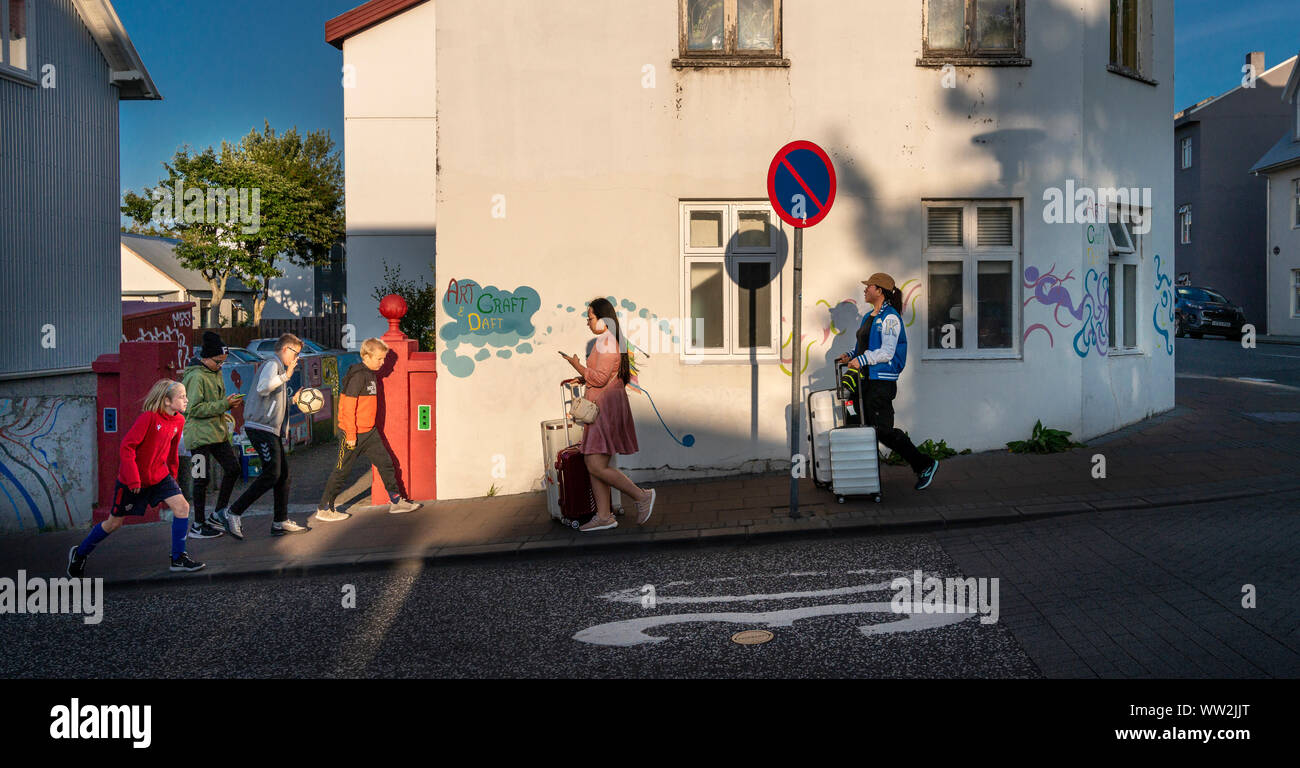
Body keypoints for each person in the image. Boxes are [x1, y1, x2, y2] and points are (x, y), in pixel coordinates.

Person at [67, 379, 205, 576]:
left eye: (185, 396)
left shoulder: (179, 421)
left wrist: (173, 478)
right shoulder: (148, 418)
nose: (186, 400)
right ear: (166, 401)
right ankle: (79, 554)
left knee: (182, 507)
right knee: (113, 523)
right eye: (182, 396)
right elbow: (127, 447)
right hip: (132, 480)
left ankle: (178, 558)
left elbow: (172, 452)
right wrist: (133, 479)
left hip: (159, 476)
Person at [559, 298, 656, 531]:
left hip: (605, 407)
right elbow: (603, 373)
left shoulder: (606, 343)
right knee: (594, 461)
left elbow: (601, 378)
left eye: (590, 317)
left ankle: (641, 496)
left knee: (594, 463)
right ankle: (604, 515)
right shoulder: (608, 341)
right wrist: (583, 377)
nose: (587, 322)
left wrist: (577, 365)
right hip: (606, 404)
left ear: (603, 319)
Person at [836, 272, 940, 491]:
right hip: (864, 380)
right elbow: (863, 347)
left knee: (881, 430)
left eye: (869, 286)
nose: (865, 289)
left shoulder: (890, 318)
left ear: (880, 291)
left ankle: (924, 464)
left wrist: (861, 359)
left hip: (880, 382)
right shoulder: (869, 317)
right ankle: (857, 478)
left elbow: (887, 352)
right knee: (855, 424)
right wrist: (850, 355)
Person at [212, 334, 310, 539]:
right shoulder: (272, 365)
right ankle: (234, 512)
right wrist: (285, 376)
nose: (297, 359)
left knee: (283, 475)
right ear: (285, 350)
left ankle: (279, 522)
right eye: (296, 353)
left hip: (269, 429)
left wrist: (292, 401)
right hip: (260, 428)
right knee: (272, 474)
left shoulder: (278, 369)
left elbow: (272, 400)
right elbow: (263, 388)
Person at [315, 337, 423, 521]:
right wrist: (350, 434)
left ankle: (396, 502)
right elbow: (347, 407)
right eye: (379, 359)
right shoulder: (359, 376)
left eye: (383, 359)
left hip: (369, 432)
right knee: (341, 470)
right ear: (366, 356)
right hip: (352, 433)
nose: (382, 363)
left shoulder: (370, 373)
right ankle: (324, 509)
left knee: (386, 463)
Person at [180, 331, 243, 539]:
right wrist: (225, 404)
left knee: (233, 468)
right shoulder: (196, 376)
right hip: (198, 438)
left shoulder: (212, 371)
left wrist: (227, 403)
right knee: (201, 479)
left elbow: (212, 403)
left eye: (223, 362)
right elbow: (193, 409)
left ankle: (217, 513)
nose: (220, 366)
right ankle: (198, 524)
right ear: (206, 357)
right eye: (218, 362)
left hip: (216, 433)